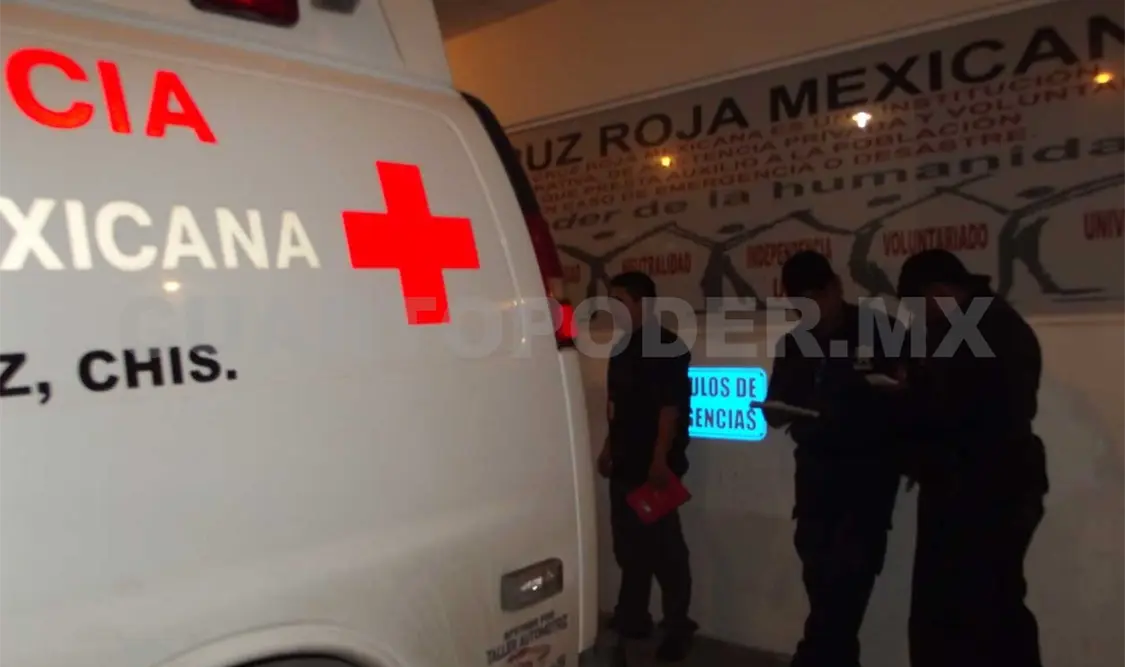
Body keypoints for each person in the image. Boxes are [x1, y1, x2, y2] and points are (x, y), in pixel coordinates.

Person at [894, 249, 1047, 667]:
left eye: (919, 305)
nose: (918, 317)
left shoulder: (990, 329)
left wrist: (910, 394)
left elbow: (975, 413)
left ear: (938, 292)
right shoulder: (968, 325)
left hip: (985, 492)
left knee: (985, 612)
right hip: (970, 486)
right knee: (968, 611)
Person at [763, 250, 901, 667]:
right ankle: (833, 657)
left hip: (867, 475)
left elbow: (912, 398)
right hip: (815, 475)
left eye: (815, 301)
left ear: (834, 288)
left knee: (850, 577)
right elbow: (777, 403)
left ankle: (813, 655)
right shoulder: (794, 344)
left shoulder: (881, 330)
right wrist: (777, 411)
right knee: (819, 576)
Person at [597, 270, 697, 662]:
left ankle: (677, 628)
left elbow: (670, 410)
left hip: (652, 469)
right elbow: (616, 406)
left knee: (665, 552)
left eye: (619, 300)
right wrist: (608, 447)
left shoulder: (667, 347)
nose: (612, 308)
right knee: (629, 548)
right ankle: (632, 617)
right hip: (625, 464)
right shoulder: (622, 348)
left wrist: (659, 460)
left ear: (643, 303)